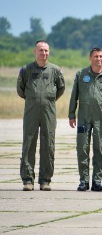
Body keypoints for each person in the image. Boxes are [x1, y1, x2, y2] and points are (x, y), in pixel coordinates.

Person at [68, 47, 102, 192]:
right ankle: (83, 181)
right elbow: (74, 96)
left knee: (100, 149)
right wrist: (71, 115)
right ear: (90, 58)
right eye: (96, 56)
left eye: (101, 56)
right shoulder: (81, 74)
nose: (99, 59)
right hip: (84, 117)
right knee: (82, 149)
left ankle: (97, 181)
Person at [17, 40, 65, 191]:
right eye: (41, 50)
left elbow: (61, 88)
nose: (44, 53)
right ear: (35, 52)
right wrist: (33, 99)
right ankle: (28, 180)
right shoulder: (26, 70)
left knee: (48, 145)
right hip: (31, 111)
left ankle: (45, 180)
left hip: (48, 112)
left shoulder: (55, 70)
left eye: (46, 51)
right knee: (29, 143)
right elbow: (20, 89)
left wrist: (47, 100)